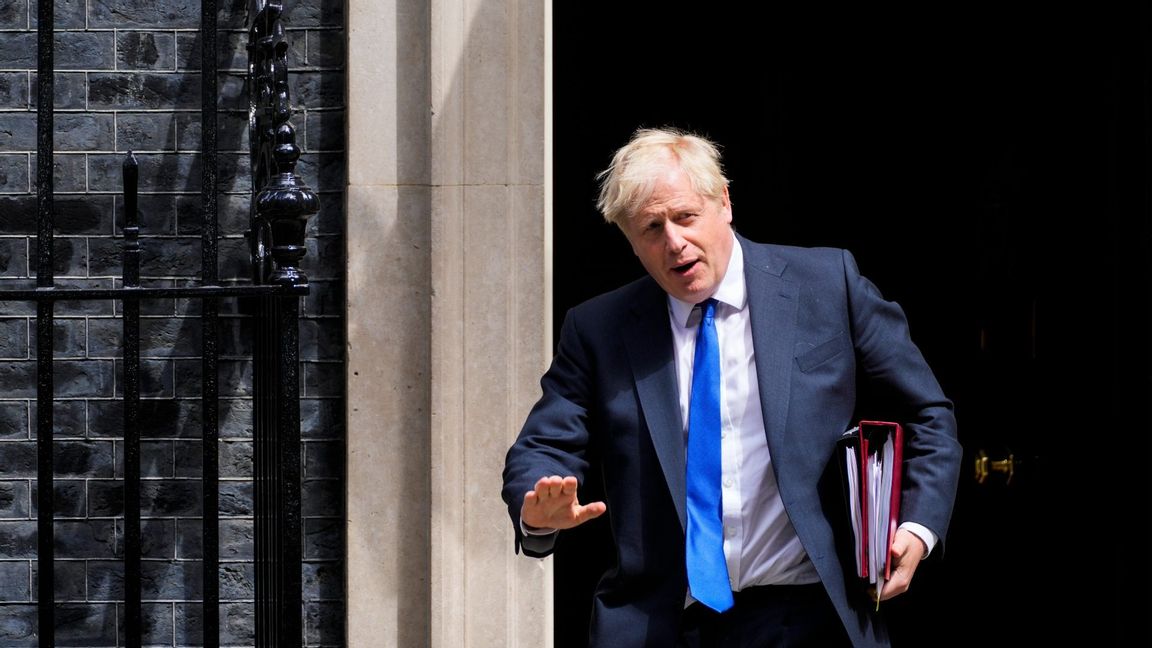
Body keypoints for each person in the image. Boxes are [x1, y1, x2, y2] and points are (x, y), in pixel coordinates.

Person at [501, 126, 962, 647]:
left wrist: (918, 528)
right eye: (651, 228)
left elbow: (928, 414)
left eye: (685, 217)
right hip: (665, 624)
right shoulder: (599, 330)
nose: (673, 242)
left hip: (811, 614)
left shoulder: (827, 284)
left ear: (724, 201)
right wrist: (535, 510)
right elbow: (542, 444)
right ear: (630, 242)